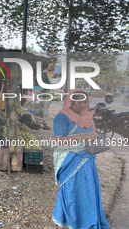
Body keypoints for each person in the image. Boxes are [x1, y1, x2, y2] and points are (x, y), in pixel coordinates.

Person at [52, 88, 109, 229]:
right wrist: (84, 137)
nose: (82, 105)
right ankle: (65, 223)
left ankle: (87, 221)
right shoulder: (62, 117)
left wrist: (96, 142)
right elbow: (60, 140)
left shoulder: (88, 116)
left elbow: (93, 134)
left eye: (84, 102)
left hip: (88, 159)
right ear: (70, 101)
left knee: (88, 192)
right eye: (78, 102)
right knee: (70, 191)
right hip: (70, 159)